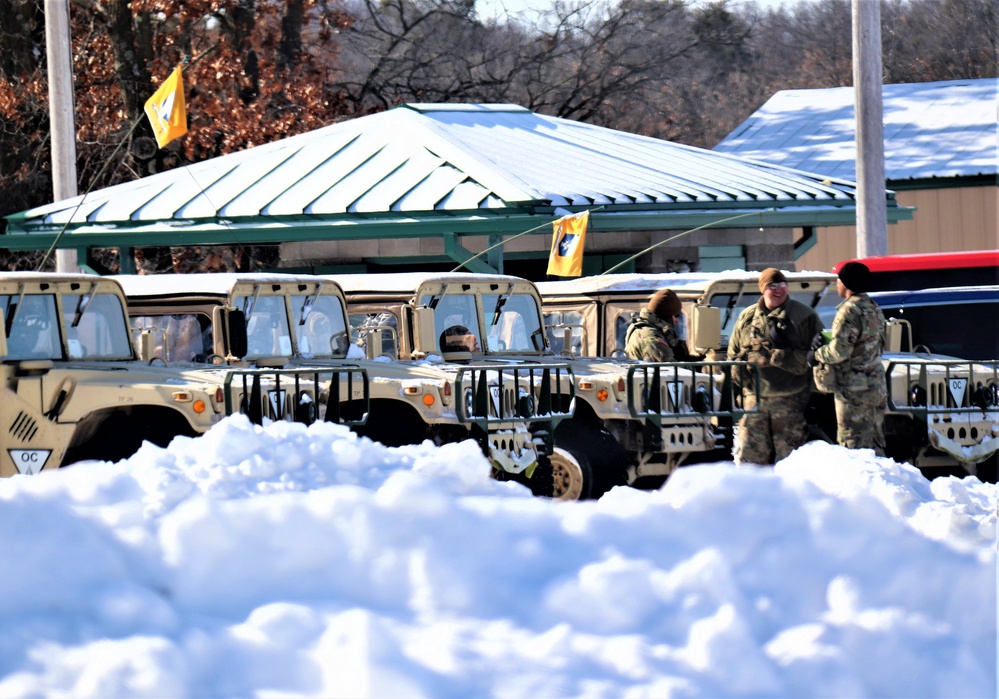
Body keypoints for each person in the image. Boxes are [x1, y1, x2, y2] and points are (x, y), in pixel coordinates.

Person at [727, 268, 823, 466]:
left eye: (782, 285)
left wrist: (778, 354)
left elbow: (816, 356)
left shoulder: (804, 316)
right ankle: (755, 496)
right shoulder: (747, 317)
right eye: (772, 286)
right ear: (763, 289)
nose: (779, 290)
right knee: (749, 459)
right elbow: (734, 353)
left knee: (790, 459)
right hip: (755, 399)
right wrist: (741, 377)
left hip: (790, 398)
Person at [810, 261, 887, 454]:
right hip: (876, 383)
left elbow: (840, 351)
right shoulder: (873, 307)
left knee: (853, 443)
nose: (837, 283)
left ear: (847, 283)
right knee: (875, 440)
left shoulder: (849, 310)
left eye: (839, 280)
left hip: (854, 388)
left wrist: (816, 355)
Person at [624, 288, 701, 362]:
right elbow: (670, 370)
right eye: (676, 316)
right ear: (666, 316)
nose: (677, 320)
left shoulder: (647, 330)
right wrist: (693, 367)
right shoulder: (651, 336)